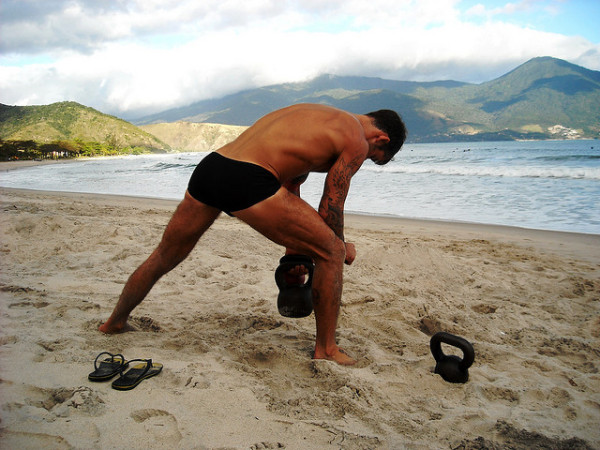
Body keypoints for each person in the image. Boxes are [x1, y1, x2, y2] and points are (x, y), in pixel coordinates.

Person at [99, 103, 407, 365]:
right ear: (381, 138)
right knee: (332, 253)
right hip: (248, 178)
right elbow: (332, 203)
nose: (365, 157)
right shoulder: (356, 138)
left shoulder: (315, 117)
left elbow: (290, 187)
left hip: (212, 168)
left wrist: (296, 251)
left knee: (165, 254)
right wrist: (339, 245)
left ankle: (114, 322)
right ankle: (326, 349)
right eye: (372, 156)